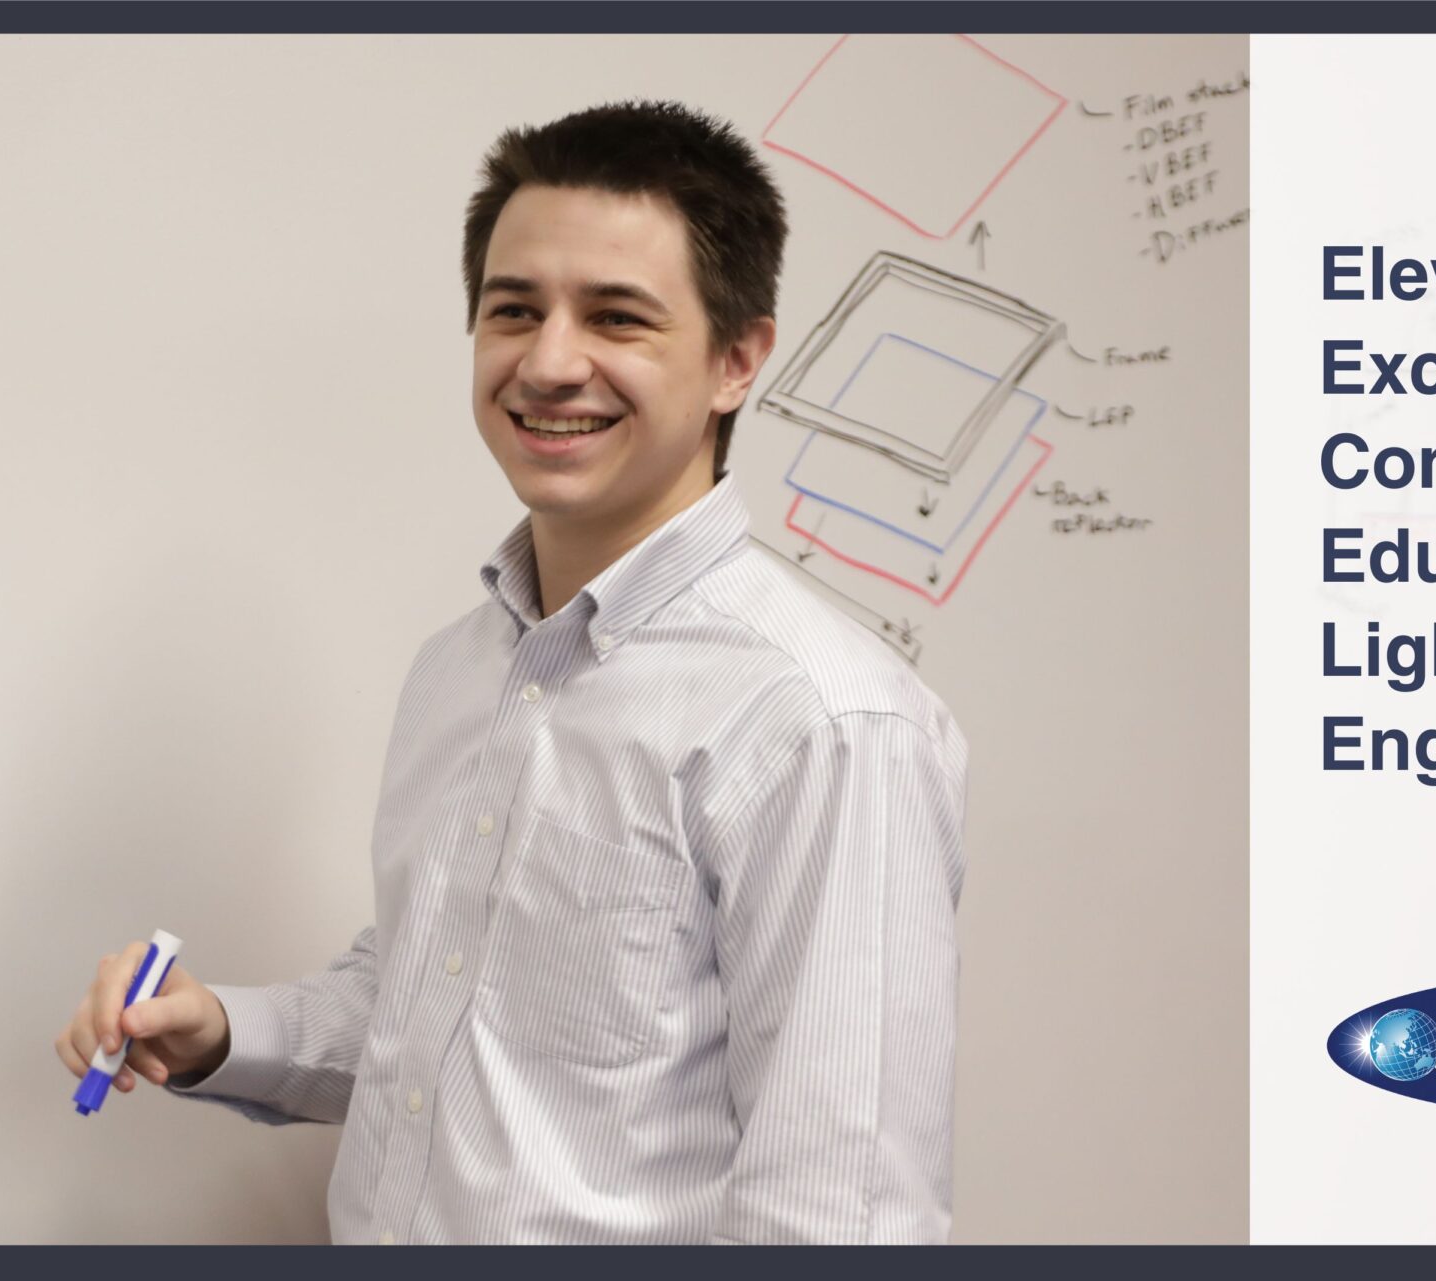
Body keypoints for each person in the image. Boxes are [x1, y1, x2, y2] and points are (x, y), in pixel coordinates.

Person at [55, 100, 968, 1244]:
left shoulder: (823, 721)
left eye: (617, 318)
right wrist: (222, 1032)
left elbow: (844, 1214)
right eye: (513, 311)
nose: (547, 362)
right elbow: (431, 1019)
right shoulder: (464, 667)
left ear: (737, 360)